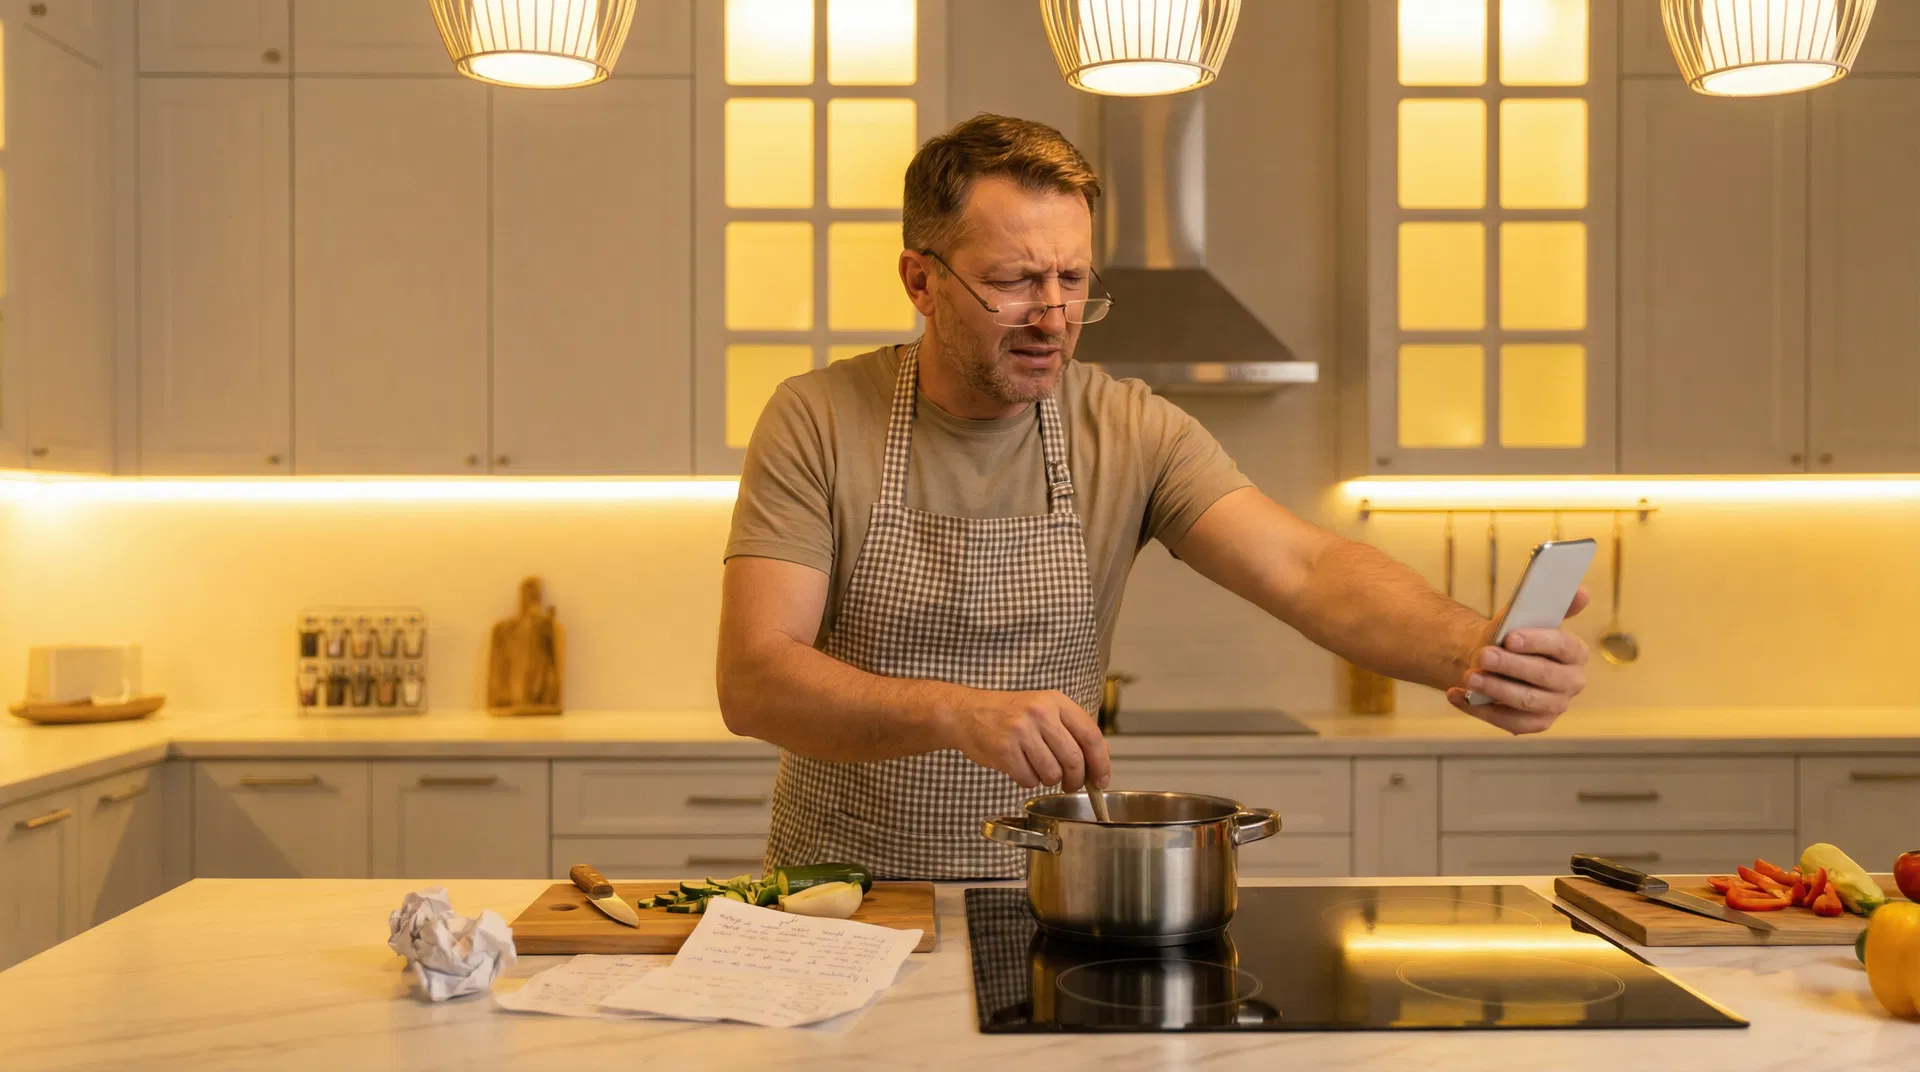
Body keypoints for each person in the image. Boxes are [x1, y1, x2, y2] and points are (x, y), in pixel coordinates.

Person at [718, 114, 1589, 880]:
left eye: (1072, 280)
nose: (1053, 316)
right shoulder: (819, 419)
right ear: (920, 281)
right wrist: (955, 709)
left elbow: (1306, 568)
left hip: (1053, 889)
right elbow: (756, 679)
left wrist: (1473, 649)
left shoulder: (1128, 427)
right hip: (844, 894)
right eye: (1017, 280)